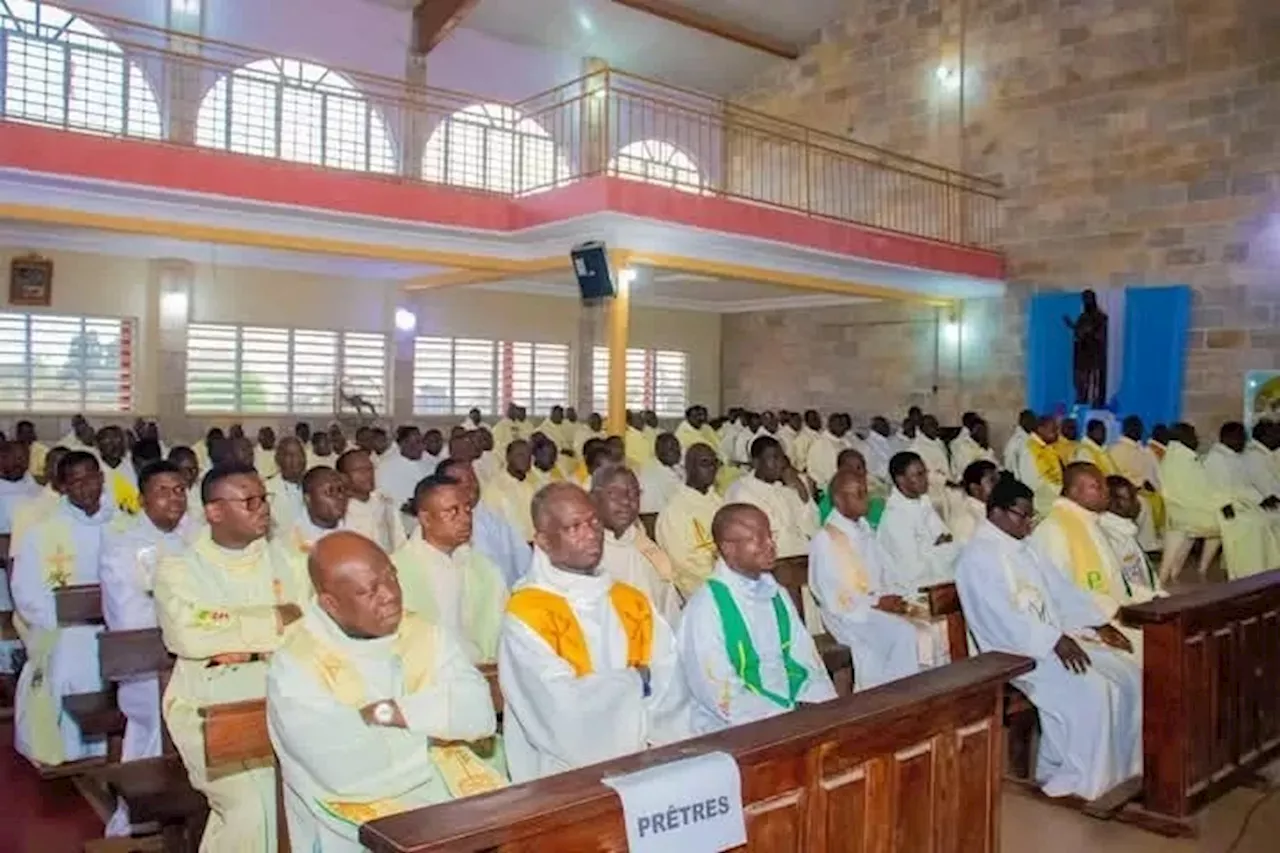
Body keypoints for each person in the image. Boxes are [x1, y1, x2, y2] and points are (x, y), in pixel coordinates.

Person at [268, 532, 502, 852]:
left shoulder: (423, 633)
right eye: (369, 590)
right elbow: (346, 770)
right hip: (354, 827)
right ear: (331, 603)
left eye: (391, 576)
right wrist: (439, 731)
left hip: (450, 805)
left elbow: (479, 714)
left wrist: (391, 712)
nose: (390, 594)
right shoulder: (296, 665)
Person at [955, 475, 1140, 801]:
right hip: (1013, 651)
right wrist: (1054, 640)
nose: (1028, 525)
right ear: (995, 512)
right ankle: (1082, 781)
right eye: (1021, 516)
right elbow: (998, 619)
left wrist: (1098, 624)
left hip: (1051, 640)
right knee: (1094, 690)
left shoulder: (1024, 549)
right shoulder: (977, 557)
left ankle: (1121, 770)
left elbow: (1061, 592)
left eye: (1031, 516)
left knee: (1127, 673)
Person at [154, 462, 309, 852]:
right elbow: (190, 635)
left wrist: (235, 633)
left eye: (264, 498)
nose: (263, 508)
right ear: (214, 511)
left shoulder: (289, 561)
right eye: (250, 500)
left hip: (286, 699)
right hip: (208, 708)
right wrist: (276, 618)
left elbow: (310, 624)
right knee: (253, 808)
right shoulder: (178, 569)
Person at [497, 483, 692, 781]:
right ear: (543, 541)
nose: (591, 534)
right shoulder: (527, 615)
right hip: (564, 777)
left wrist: (647, 734)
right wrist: (635, 681)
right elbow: (560, 711)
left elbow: (670, 679)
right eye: (574, 527)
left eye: (594, 522)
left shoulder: (630, 601)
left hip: (648, 759)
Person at [99, 460, 197, 836]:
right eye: (162, 491)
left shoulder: (198, 538)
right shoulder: (127, 547)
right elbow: (131, 616)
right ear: (142, 499)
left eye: (179, 490)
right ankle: (140, 813)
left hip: (194, 658)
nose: (174, 498)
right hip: (148, 666)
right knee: (163, 712)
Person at [679, 504, 836, 733]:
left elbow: (805, 659)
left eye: (770, 535)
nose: (771, 545)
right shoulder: (706, 608)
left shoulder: (776, 594)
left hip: (797, 709)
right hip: (740, 728)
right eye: (758, 539)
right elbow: (718, 691)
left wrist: (818, 703)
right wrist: (785, 716)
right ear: (728, 548)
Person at [11, 451, 114, 767]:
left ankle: (116, 744)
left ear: (101, 478)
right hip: (66, 628)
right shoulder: (43, 532)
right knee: (70, 657)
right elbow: (26, 590)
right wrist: (67, 617)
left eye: (91, 477)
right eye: (75, 481)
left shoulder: (123, 523)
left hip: (117, 626)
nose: (85, 487)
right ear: (64, 487)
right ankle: (72, 748)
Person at [809, 470, 922, 689]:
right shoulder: (826, 540)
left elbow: (885, 570)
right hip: (849, 616)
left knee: (929, 621)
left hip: (874, 606)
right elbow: (831, 594)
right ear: (839, 500)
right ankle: (893, 701)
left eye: (865, 492)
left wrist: (895, 596)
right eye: (858, 494)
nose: (866, 498)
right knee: (903, 633)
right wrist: (876, 604)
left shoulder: (864, 529)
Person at [393, 474, 508, 663]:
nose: (465, 519)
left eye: (467, 509)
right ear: (426, 518)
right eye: (452, 511)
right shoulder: (396, 572)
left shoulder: (485, 569)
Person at [1031, 463, 1143, 652]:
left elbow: (1114, 581)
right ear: (1074, 492)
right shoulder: (1054, 529)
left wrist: (1151, 598)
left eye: (1104, 487)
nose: (1106, 492)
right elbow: (1059, 591)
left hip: (1112, 615)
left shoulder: (1090, 522)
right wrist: (1108, 617)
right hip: (1084, 629)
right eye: (1097, 487)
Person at [1161, 422, 1280, 579]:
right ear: (1182, 438)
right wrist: (1223, 503)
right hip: (1192, 513)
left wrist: (1228, 501)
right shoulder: (1179, 461)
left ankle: (1259, 570)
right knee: (1250, 523)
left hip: (1204, 507)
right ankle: (1247, 574)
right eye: (1192, 435)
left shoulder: (1184, 458)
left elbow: (1206, 490)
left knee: (1255, 520)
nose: (1197, 438)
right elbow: (1192, 496)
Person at [592, 466, 682, 626]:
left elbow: (670, 617)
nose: (627, 501)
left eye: (634, 494)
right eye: (615, 494)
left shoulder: (649, 553)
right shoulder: (581, 553)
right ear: (593, 498)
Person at [436, 459, 531, 588]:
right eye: (459, 481)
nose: (470, 485)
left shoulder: (496, 518)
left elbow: (524, 562)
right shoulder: (437, 528)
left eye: (472, 478)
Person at [725, 436, 818, 557]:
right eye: (774, 458)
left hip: (800, 554)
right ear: (756, 463)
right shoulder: (741, 492)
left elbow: (812, 525)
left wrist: (801, 489)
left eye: (781, 457)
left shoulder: (784, 487)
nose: (781, 464)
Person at [877, 452, 957, 589]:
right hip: (911, 589)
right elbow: (912, 570)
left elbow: (947, 537)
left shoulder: (922, 501)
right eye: (919, 475)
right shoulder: (896, 517)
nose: (926, 479)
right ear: (901, 480)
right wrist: (937, 548)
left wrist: (931, 548)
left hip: (940, 577)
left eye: (925, 473)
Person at [656, 443, 725, 599]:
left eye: (715, 463)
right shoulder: (675, 510)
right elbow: (683, 563)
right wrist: (723, 577)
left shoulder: (719, 502)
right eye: (705, 463)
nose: (712, 468)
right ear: (689, 467)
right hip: (696, 590)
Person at [1098, 476, 1163, 606]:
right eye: (1131, 498)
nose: (1138, 503)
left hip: (1145, 601)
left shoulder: (1126, 531)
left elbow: (1146, 575)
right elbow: (1119, 586)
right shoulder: (1108, 538)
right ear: (1111, 502)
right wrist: (1154, 596)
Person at [337, 449, 406, 553]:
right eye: (360, 470)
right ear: (343, 477)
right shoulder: (339, 512)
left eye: (370, 469)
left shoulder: (384, 502)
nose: (368, 474)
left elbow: (400, 542)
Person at [285, 467, 350, 555]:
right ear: (308, 499)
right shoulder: (292, 541)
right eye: (329, 491)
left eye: (340, 489)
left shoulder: (357, 527)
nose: (340, 496)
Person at [483, 439, 537, 543]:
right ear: (508, 457)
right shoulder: (496, 487)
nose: (526, 459)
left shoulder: (533, 484)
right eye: (520, 455)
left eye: (529, 456)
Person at [376, 427, 433, 520]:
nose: (417, 447)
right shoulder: (385, 466)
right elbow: (380, 496)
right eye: (411, 443)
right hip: (397, 517)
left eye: (419, 442)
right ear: (401, 444)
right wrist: (402, 506)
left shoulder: (431, 463)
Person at [1016, 415, 1063, 516]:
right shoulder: (1029, 449)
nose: (1057, 434)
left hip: (1054, 500)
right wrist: (1060, 490)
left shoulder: (1047, 447)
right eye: (1053, 430)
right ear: (1041, 429)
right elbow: (1032, 482)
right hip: (1041, 505)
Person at [909, 414, 951, 515]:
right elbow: (923, 473)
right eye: (931, 425)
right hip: (931, 494)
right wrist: (945, 481)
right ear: (922, 428)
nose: (935, 428)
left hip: (945, 490)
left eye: (936, 424)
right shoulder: (916, 447)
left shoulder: (939, 442)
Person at [949, 460, 999, 543]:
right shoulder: (965, 519)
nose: (999, 484)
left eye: (999, 480)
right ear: (975, 489)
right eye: (992, 480)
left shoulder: (992, 510)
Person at [268, 436, 308, 537]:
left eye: (300, 454)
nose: (296, 459)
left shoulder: (314, 484)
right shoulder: (266, 490)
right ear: (278, 459)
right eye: (289, 455)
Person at [805, 413, 855, 493]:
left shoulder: (846, 442)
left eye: (842, 424)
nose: (842, 427)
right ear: (830, 425)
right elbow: (813, 472)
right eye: (839, 424)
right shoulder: (819, 444)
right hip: (827, 489)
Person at [98, 425, 140, 515]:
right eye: (108, 441)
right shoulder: (94, 469)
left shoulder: (134, 466)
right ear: (98, 445)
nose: (115, 446)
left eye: (119, 440)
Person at [638, 432, 683, 514]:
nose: (677, 452)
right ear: (658, 452)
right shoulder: (650, 477)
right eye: (671, 449)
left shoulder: (677, 467)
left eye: (678, 448)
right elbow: (649, 515)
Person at [949, 416, 997, 481]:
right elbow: (966, 468)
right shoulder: (963, 446)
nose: (982, 433)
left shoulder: (982, 446)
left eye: (984, 430)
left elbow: (994, 463)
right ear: (972, 431)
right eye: (979, 430)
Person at [862, 416, 895, 489]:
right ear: (875, 427)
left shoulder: (886, 442)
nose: (888, 428)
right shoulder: (868, 444)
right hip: (877, 484)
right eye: (884, 426)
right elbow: (869, 468)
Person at [1002, 409, 1037, 474]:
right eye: (1031, 421)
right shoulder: (1015, 442)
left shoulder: (1033, 438)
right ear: (1023, 422)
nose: (1034, 423)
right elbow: (1011, 466)